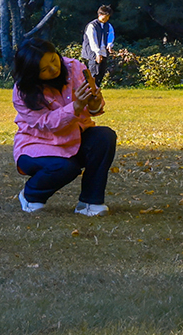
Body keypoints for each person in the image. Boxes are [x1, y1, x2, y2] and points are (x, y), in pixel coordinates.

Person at [11, 38, 117, 216]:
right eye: (45, 69)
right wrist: (75, 107)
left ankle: (90, 202)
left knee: (104, 137)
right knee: (65, 167)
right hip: (37, 145)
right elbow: (45, 124)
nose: (54, 69)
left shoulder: (75, 67)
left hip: (75, 138)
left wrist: (94, 102)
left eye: (54, 60)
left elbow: (94, 109)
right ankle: (30, 195)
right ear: (32, 73)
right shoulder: (23, 92)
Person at [81, 5, 117, 85]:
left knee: (100, 75)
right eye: (105, 16)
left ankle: (96, 95)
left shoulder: (108, 26)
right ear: (99, 15)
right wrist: (97, 53)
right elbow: (93, 41)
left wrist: (109, 45)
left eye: (108, 17)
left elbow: (111, 36)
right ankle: (89, 95)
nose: (107, 19)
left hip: (104, 53)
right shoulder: (92, 26)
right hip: (93, 54)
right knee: (93, 75)